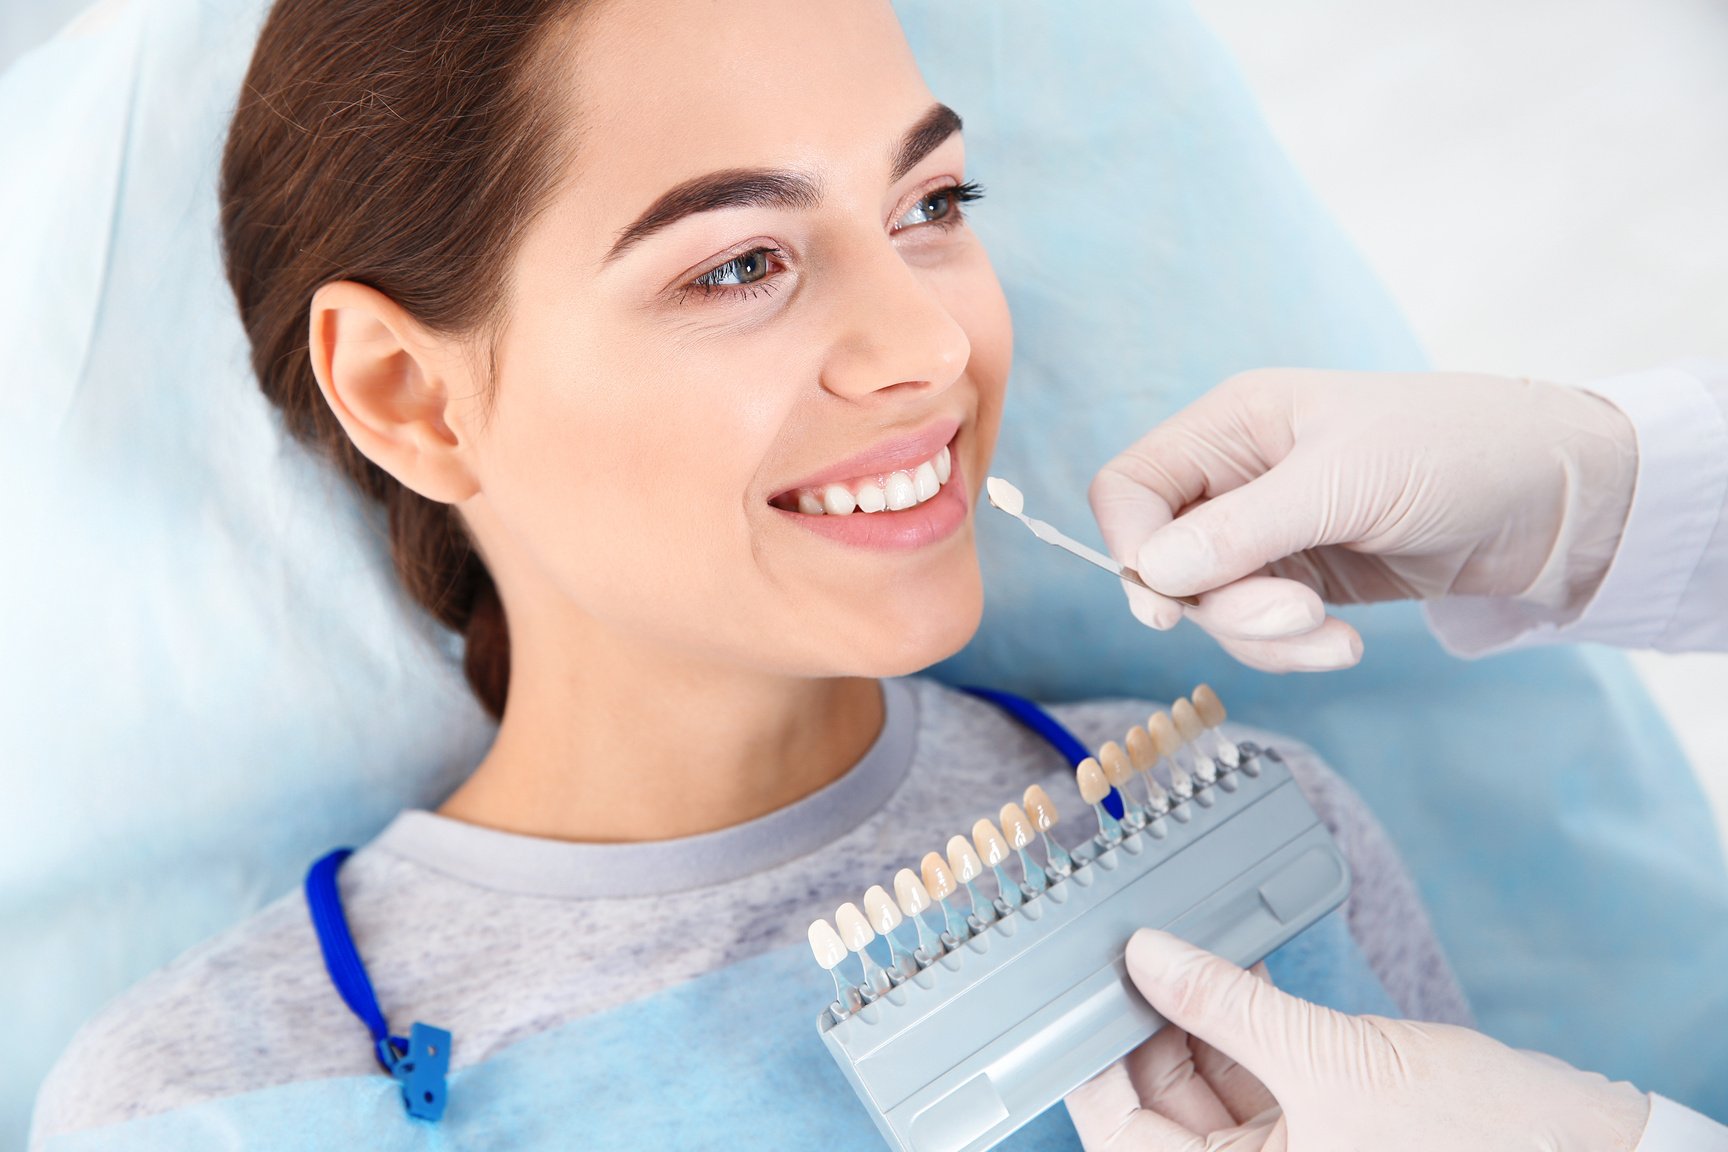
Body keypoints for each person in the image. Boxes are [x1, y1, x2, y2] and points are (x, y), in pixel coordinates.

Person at [26, 1, 1469, 1148]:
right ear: (408, 392)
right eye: (739, 266)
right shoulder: (206, 1103)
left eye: (931, 203)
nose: (926, 345)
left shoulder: (1260, 849)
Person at [1073, 364, 1728, 1149]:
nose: (935, 347)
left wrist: (1584, 494)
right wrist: (1595, 498)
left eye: (931, 228)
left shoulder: (1265, 791)